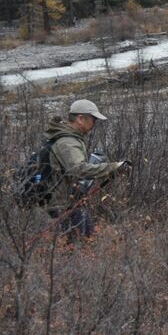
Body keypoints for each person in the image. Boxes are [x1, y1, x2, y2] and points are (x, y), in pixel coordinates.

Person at [45, 99, 127, 240]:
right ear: (80, 119)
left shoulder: (72, 139)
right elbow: (79, 170)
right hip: (63, 206)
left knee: (87, 240)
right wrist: (113, 167)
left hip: (71, 203)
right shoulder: (67, 142)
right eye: (93, 120)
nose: (94, 124)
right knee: (74, 246)